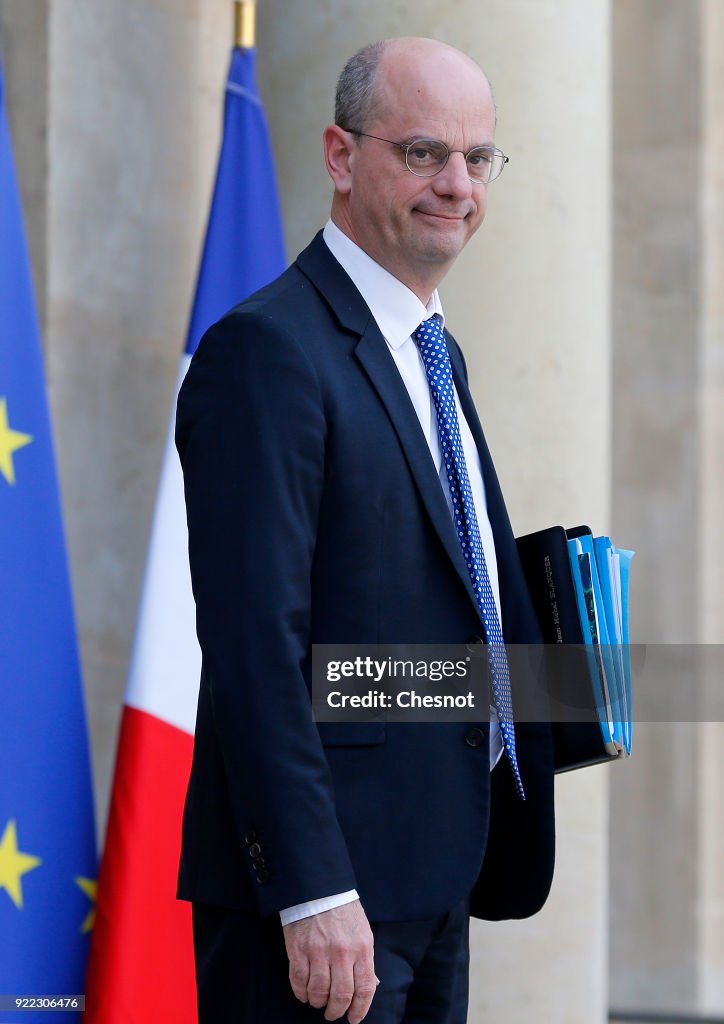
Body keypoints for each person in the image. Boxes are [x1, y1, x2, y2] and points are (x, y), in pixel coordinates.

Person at [176, 36, 555, 1024]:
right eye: (423, 152)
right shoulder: (265, 351)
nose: (457, 184)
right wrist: (309, 888)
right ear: (341, 157)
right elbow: (256, 645)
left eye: (477, 158)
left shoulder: (436, 352)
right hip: (321, 909)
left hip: (435, 884)